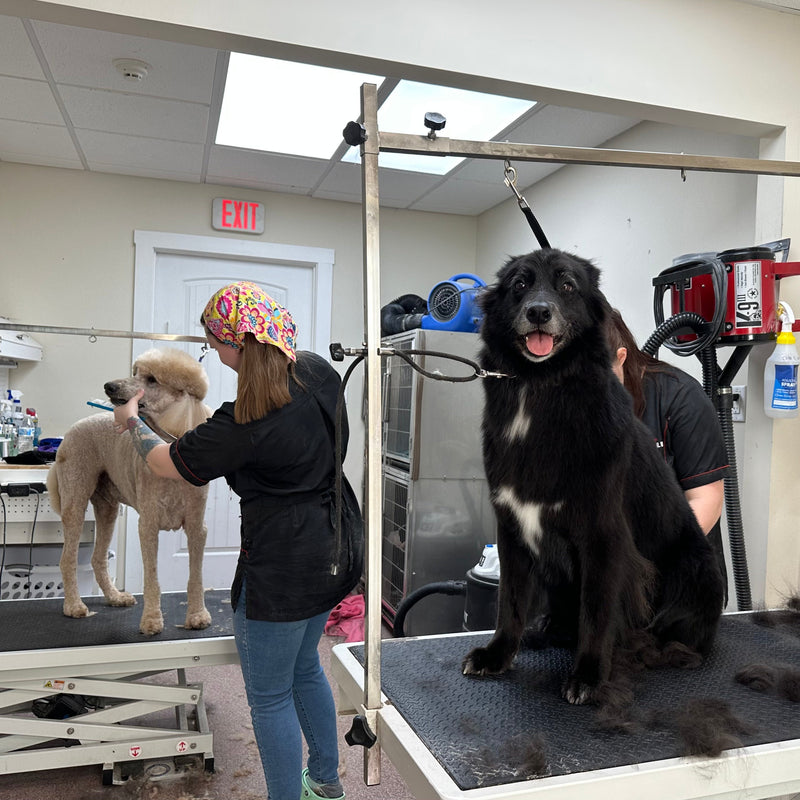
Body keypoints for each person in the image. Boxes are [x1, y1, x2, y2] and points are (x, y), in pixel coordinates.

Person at [113, 281, 363, 800]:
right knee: (305, 667)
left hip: (279, 570)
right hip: (333, 548)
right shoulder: (319, 371)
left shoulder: (242, 421)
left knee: (269, 698)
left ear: (239, 343)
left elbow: (166, 463)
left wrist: (132, 421)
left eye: (216, 343)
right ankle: (325, 782)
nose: (217, 355)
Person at [605, 308, 730, 604]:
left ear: (620, 358)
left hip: (678, 575)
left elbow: (706, 500)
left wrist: (644, 566)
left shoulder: (681, 398)